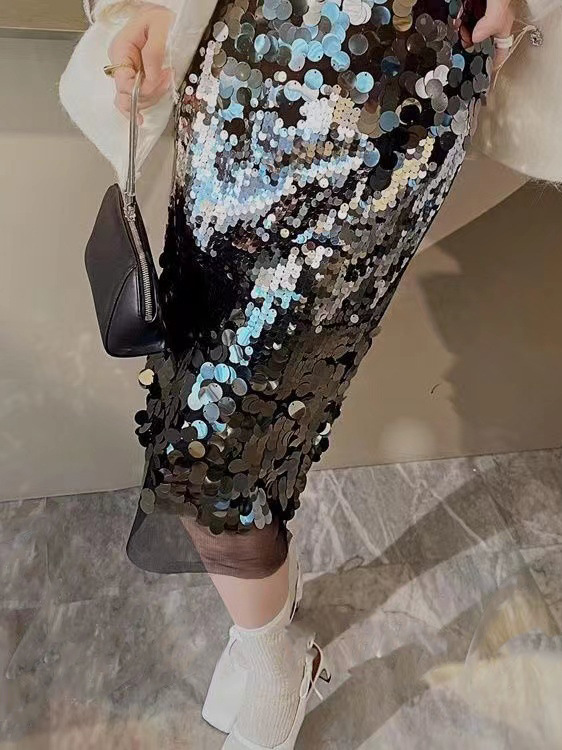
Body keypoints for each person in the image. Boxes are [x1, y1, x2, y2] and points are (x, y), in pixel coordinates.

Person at [58, 0, 546, 747]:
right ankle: (265, 636)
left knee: (227, 436)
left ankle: (274, 665)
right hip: (243, 73)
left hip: (398, 90)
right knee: (197, 391)